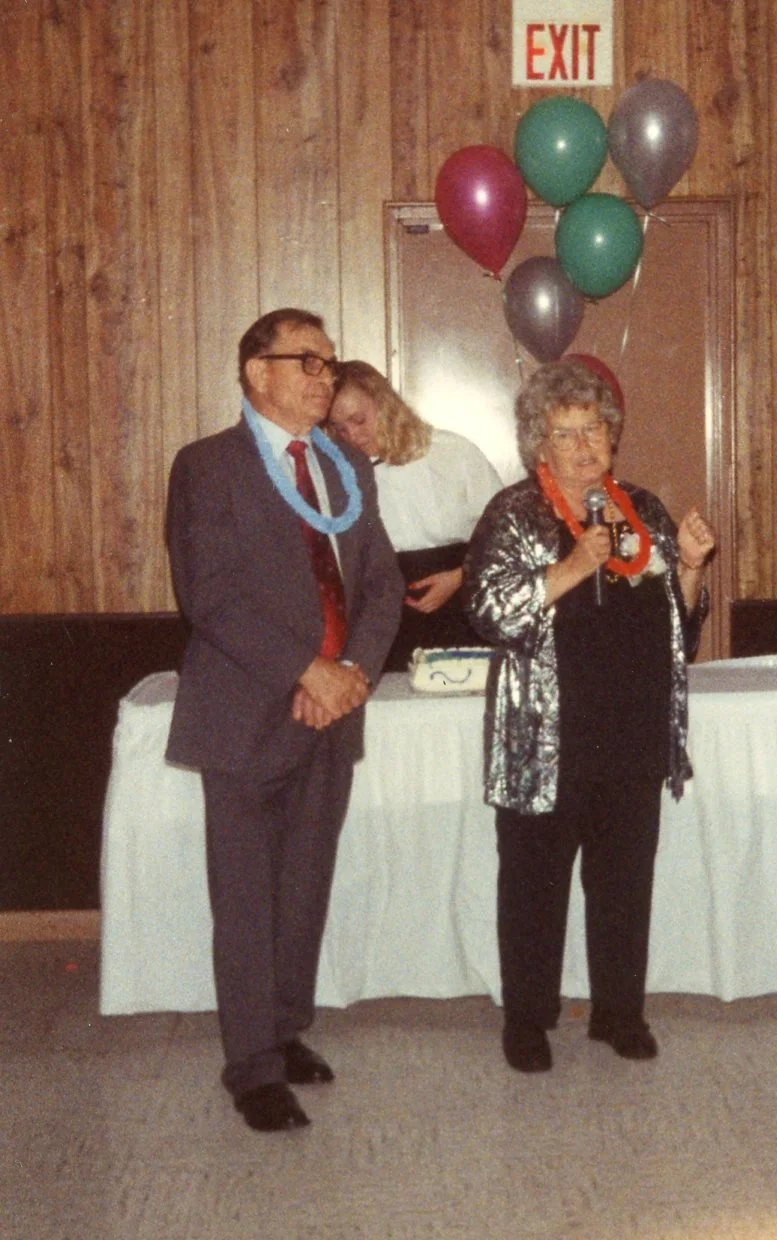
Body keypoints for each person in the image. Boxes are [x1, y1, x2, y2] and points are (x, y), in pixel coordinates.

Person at [166, 309, 404, 1131]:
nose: (322, 377)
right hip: (243, 709)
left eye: (329, 364)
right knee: (246, 896)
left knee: (304, 885)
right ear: (255, 372)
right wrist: (307, 670)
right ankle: (252, 1067)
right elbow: (211, 597)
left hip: (332, 709)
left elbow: (378, 584)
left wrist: (352, 675)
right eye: (305, 361)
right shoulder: (207, 467)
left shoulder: (346, 469)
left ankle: (284, 1028)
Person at [462, 360, 715, 1073]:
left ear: (612, 436)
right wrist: (572, 565)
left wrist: (691, 567)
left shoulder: (642, 509)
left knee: (624, 880)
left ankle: (618, 1012)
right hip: (547, 738)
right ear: (537, 443)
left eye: (594, 428)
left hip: (632, 736)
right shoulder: (512, 514)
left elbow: (678, 632)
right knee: (532, 884)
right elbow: (487, 610)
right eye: (564, 431)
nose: (582, 444)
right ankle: (527, 1019)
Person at [328, 361, 502, 670]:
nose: (352, 435)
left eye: (359, 420)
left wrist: (461, 577)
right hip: (387, 615)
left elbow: (505, 536)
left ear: (384, 403)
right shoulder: (339, 476)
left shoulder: (453, 452)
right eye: (340, 428)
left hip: (462, 601)